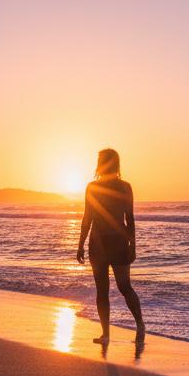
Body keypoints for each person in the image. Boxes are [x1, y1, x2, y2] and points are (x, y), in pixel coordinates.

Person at [76, 148, 145, 345]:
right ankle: (116, 331)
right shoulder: (115, 187)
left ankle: (128, 328)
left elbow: (127, 218)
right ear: (116, 164)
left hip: (106, 243)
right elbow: (127, 219)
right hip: (107, 243)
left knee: (116, 288)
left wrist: (80, 245)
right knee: (112, 289)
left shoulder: (115, 187)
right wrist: (133, 245)